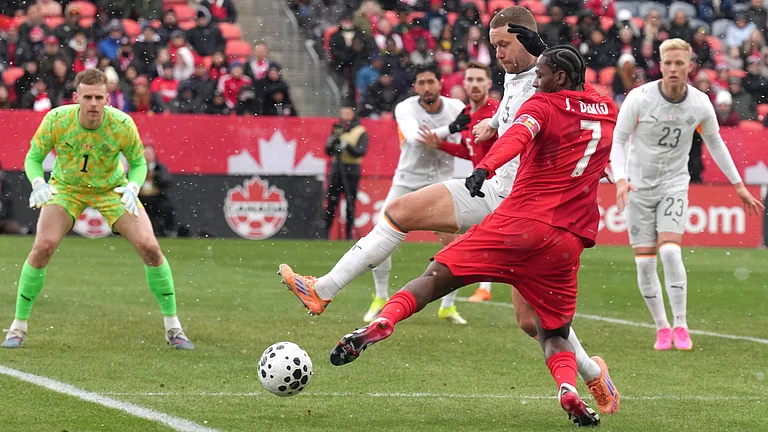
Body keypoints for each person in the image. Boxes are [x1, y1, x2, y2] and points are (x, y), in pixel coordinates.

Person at [279, 9, 619, 417]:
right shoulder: (521, 75)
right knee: (402, 212)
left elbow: (534, 119)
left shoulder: (544, 79)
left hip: (513, 200)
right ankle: (322, 290)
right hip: (510, 202)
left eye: (504, 45)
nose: (498, 54)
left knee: (532, 322)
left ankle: (594, 377)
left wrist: (489, 159)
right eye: (492, 46)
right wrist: (493, 122)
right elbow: (524, 115)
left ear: (528, 42)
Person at [1, 69, 194, 350]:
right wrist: (37, 182)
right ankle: (18, 327)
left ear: (108, 98)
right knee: (43, 246)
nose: (93, 103)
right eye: (88, 97)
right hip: (67, 188)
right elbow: (33, 157)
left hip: (110, 189)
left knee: (150, 248)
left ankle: (173, 327)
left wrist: (132, 187)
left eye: (99, 97)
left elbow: (138, 164)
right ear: (76, 97)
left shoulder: (121, 124)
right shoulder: (57, 119)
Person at [280, 63, 471, 324]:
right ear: (415, 87)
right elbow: (416, 137)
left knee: (454, 242)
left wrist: (449, 134)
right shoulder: (405, 108)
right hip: (407, 180)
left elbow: (461, 142)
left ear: (440, 84)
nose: (427, 87)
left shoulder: (457, 108)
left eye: (431, 82)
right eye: (422, 82)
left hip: (441, 180)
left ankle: (448, 306)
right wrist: (450, 129)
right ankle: (380, 297)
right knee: (382, 236)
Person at [610, 38, 764, 351]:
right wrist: (621, 179)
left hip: (673, 185)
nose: (673, 68)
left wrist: (737, 185)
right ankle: (661, 327)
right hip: (638, 188)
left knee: (669, 252)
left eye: (680, 63)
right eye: (668, 63)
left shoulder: (699, 103)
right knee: (644, 263)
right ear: (661, 65)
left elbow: (716, 143)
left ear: (689, 66)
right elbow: (619, 140)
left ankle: (680, 324)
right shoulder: (639, 98)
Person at [413, 60, 499, 302]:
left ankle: (476, 287)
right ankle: (470, 288)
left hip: (500, 184)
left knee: (482, 236)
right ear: (464, 83)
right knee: (477, 234)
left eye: (479, 80)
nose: (474, 84)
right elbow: (468, 149)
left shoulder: (496, 113)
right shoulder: (468, 114)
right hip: (481, 184)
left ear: (488, 84)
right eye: (470, 79)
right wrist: (442, 145)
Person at [323, 105, 368, 241]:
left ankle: (348, 234)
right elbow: (328, 152)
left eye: (348, 112)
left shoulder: (360, 131)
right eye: (343, 113)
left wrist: (346, 146)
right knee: (331, 202)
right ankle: (325, 233)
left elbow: (361, 151)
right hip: (337, 168)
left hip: (352, 170)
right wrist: (332, 144)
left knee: (350, 202)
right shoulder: (337, 129)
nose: (345, 116)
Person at [139, 145, 177, 237]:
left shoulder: (160, 167)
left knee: (167, 208)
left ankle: (166, 231)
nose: (147, 156)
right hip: (140, 197)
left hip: (156, 197)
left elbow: (167, 181)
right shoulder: (137, 166)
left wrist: (156, 176)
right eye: (145, 153)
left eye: (149, 153)